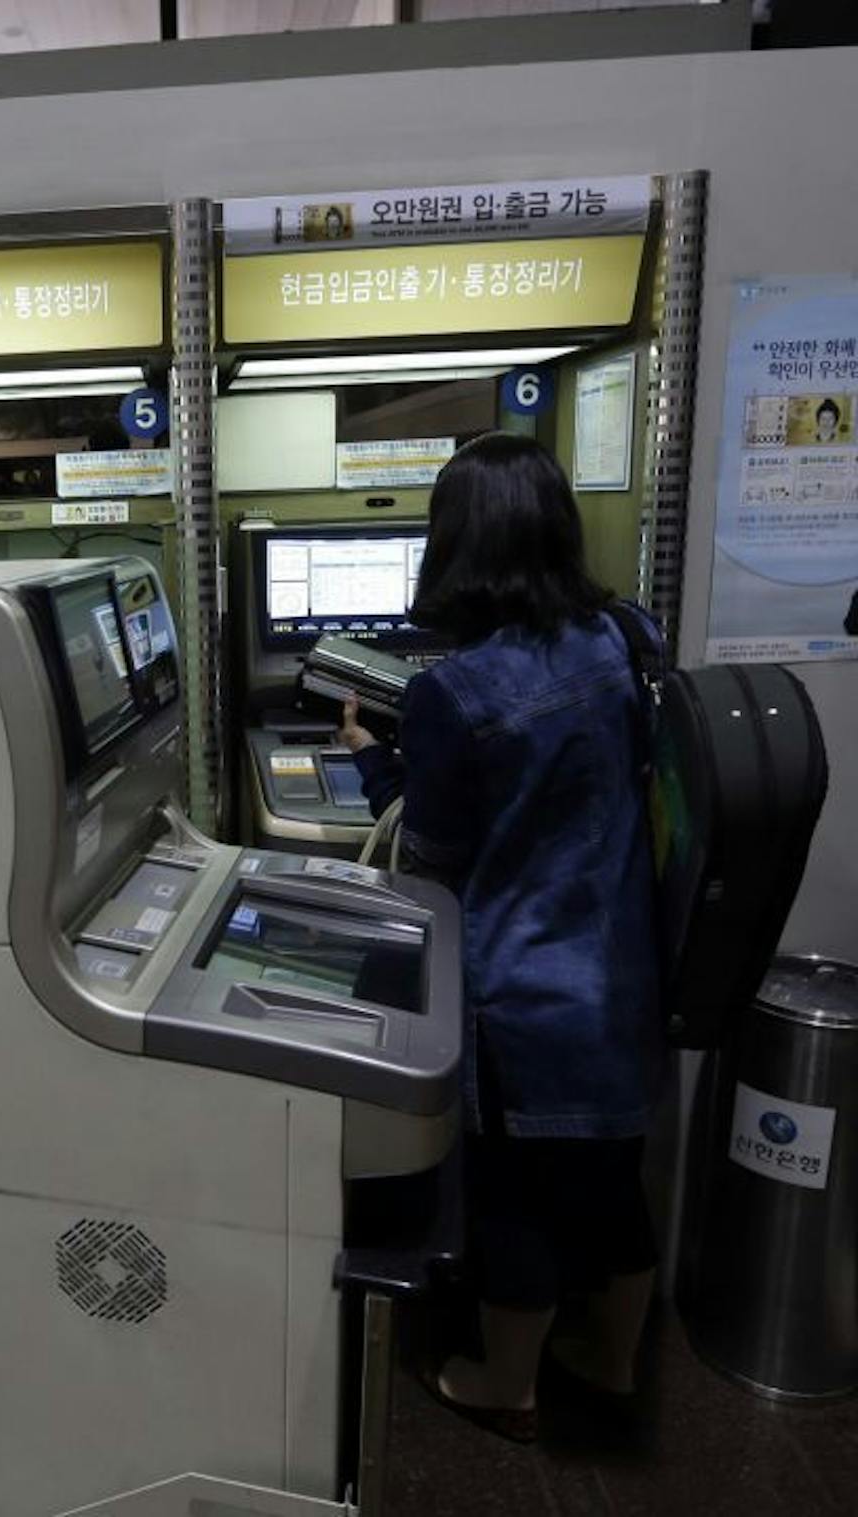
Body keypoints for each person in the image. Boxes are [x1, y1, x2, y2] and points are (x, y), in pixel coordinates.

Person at [336, 433, 662, 1444]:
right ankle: (608, 1358)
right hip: (615, 968)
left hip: (519, 989)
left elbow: (434, 857)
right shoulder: (624, 638)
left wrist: (374, 760)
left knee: (514, 1194)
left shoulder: (453, 691)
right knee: (610, 1181)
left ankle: (503, 1380)